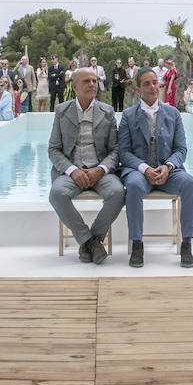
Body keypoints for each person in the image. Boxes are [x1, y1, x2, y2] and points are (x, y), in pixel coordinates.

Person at [118, 68, 193, 268]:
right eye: (146, 84)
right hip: (139, 172)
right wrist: (145, 168)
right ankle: (137, 244)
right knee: (134, 187)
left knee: (190, 184)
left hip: (169, 172)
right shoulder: (128, 116)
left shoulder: (173, 113)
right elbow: (124, 152)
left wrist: (168, 166)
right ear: (138, 89)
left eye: (155, 82)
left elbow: (181, 149)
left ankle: (186, 243)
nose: (153, 87)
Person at [48, 68, 124, 265]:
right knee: (57, 194)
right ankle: (90, 241)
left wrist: (100, 170)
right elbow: (54, 149)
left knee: (118, 192)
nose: (92, 84)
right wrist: (73, 171)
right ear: (74, 87)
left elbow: (115, 150)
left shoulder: (107, 112)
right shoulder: (62, 111)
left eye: (94, 80)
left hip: (99, 170)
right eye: (87, 81)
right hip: (71, 172)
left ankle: (93, 239)